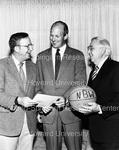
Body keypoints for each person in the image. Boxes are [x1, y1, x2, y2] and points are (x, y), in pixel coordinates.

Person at [36, 21, 87, 150]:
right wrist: (41, 106)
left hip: (71, 111)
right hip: (49, 113)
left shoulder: (77, 55)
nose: (53, 39)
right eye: (51, 35)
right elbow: (37, 84)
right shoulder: (41, 57)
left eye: (57, 36)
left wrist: (65, 98)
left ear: (65, 36)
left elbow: (80, 82)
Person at [0, 32, 38, 150]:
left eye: (31, 45)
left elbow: (37, 90)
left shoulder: (33, 67)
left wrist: (42, 103)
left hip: (29, 122)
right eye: (28, 46)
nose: (31, 49)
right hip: (7, 125)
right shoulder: (1, 65)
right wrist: (18, 100)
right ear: (16, 48)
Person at [78, 37, 119, 150]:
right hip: (96, 133)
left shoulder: (116, 68)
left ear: (104, 50)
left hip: (112, 134)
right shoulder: (93, 72)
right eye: (88, 48)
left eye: (91, 48)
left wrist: (99, 108)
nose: (88, 52)